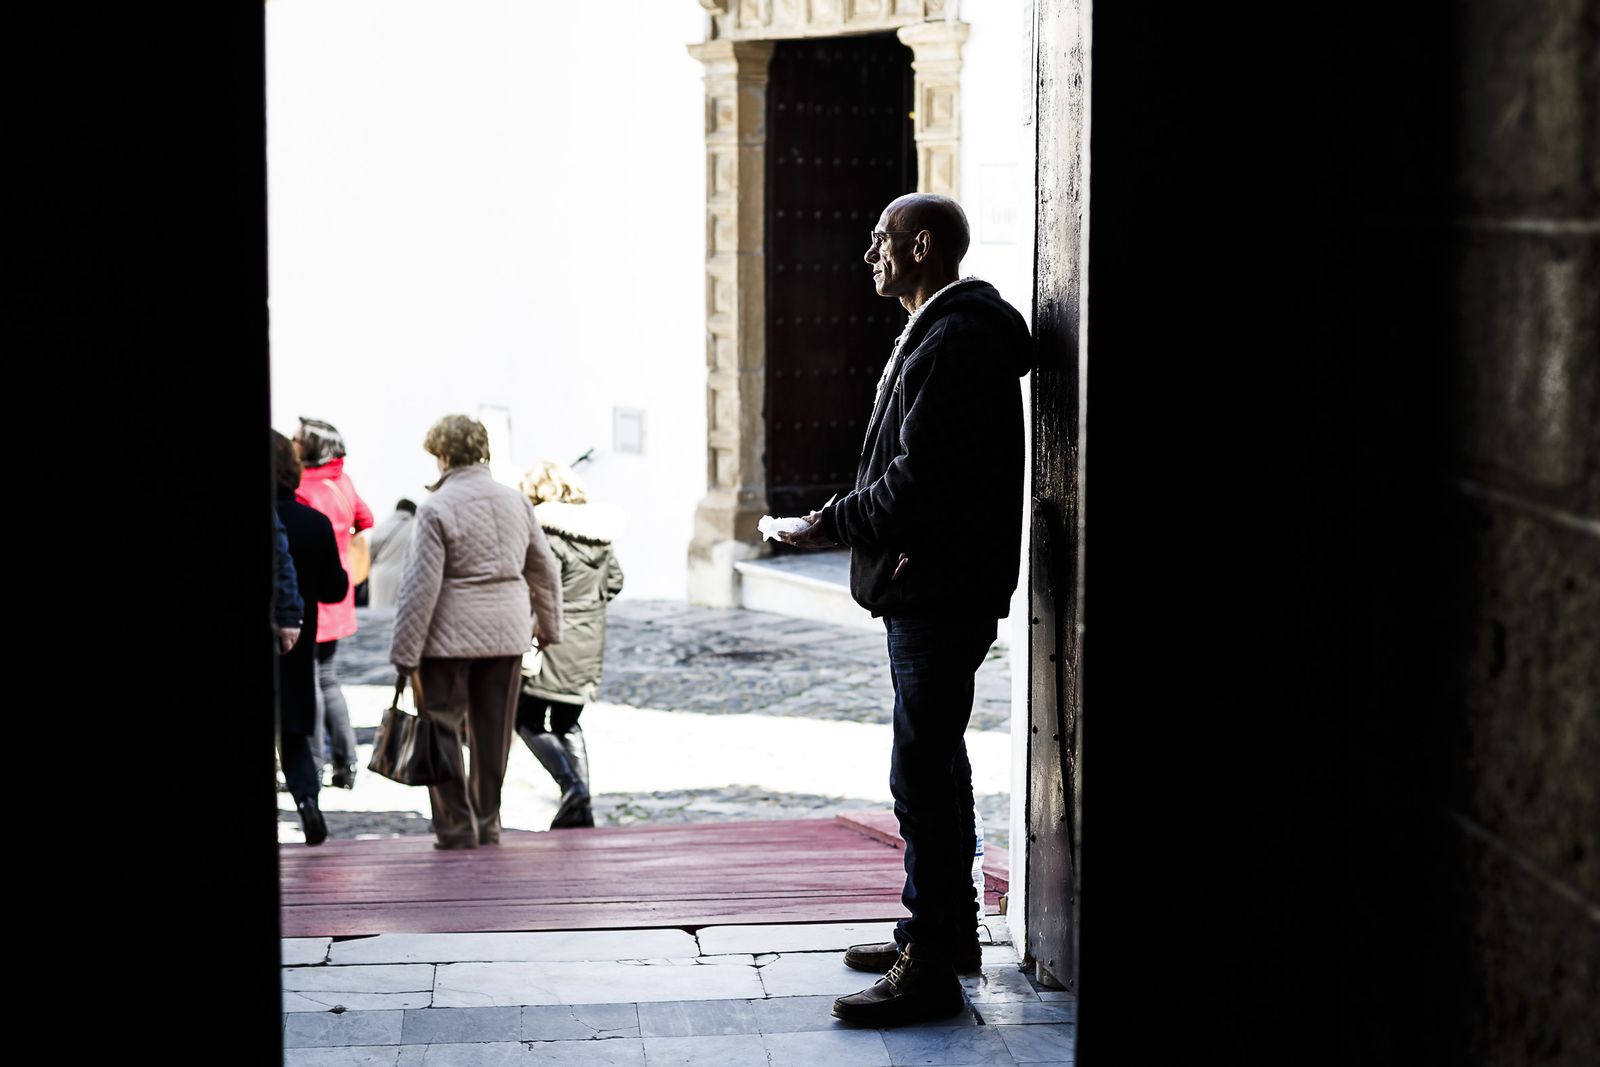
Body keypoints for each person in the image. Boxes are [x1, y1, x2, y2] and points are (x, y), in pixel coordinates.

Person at [776, 193, 1031, 1026]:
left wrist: (829, 521)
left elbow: (920, 480)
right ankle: (945, 931)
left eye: (881, 239)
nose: (868, 255)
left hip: (938, 585)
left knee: (919, 771)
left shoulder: (956, 338)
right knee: (936, 764)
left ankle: (930, 964)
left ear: (922, 247)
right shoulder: (938, 331)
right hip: (933, 582)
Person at [390, 415, 564, 850]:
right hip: (505, 633)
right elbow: (545, 570)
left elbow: (420, 587)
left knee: (442, 727)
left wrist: (405, 652)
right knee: (493, 732)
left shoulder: (436, 507)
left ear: (443, 455)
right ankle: (487, 822)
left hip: (447, 638)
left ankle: (455, 826)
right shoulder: (515, 501)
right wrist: (548, 625)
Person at [514, 461, 625, 829]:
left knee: (525, 717)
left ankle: (573, 788)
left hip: (551, 640)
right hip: (588, 642)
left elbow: (538, 587)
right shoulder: (599, 535)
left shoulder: (545, 534)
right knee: (567, 722)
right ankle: (582, 809)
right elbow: (615, 582)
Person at [272, 431, 349, 847]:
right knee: (296, 732)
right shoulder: (313, 522)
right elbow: (336, 589)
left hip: (281, 633)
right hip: (298, 642)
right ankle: (307, 803)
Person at [293, 417, 375, 790]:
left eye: (296, 439)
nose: (292, 444)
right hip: (337, 590)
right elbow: (366, 518)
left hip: (308, 593)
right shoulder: (342, 481)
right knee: (328, 679)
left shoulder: (299, 487)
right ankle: (348, 763)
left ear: (309, 446)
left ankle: (314, 765)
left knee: (309, 682)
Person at [365, 498, 418, 609]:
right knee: (398, 614)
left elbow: (369, 554)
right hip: (403, 575)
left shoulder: (381, 526)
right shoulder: (415, 527)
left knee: (377, 612)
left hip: (379, 575)